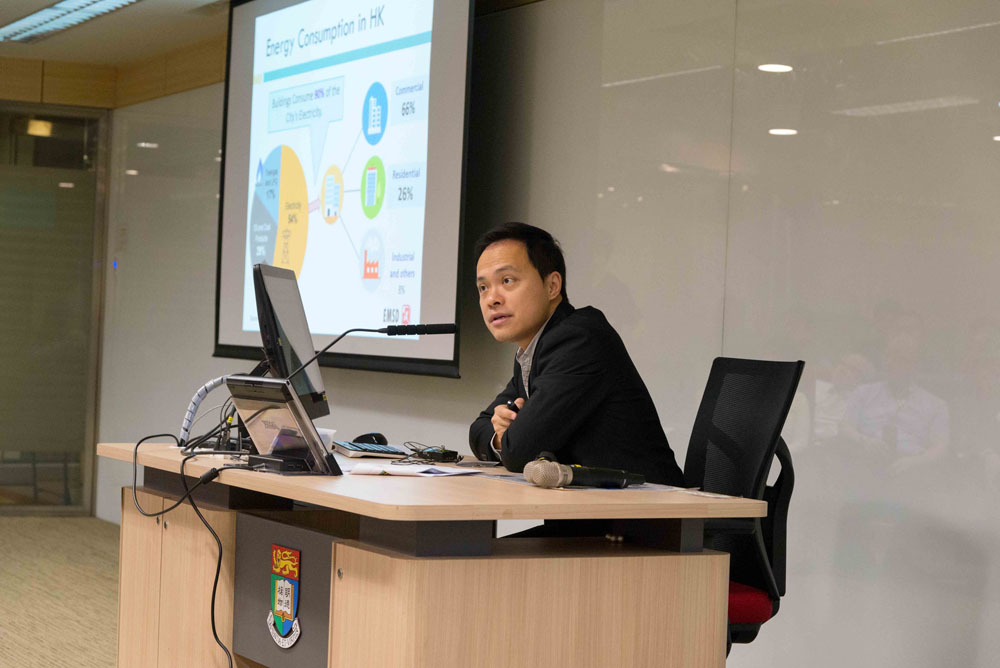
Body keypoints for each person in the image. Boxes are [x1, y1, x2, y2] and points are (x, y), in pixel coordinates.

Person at [468, 222, 684, 486]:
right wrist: (500, 436)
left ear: (552, 286)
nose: (492, 299)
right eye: (483, 288)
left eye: (507, 281)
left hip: (652, 505)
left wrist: (508, 438)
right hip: (595, 505)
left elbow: (519, 452)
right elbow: (479, 428)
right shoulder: (533, 350)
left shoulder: (579, 341)